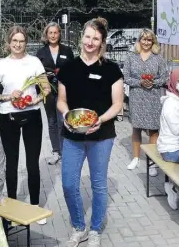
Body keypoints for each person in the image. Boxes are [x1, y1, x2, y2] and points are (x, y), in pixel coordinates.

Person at [57, 17, 124, 247]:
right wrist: (66, 115)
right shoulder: (69, 68)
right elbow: (61, 101)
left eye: (96, 38)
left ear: (102, 41)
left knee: (99, 185)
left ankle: (95, 229)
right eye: (87, 36)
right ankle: (78, 227)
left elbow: (118, 105)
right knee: (68, 183)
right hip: (73, 134)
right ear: (81, 38)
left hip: (101, 135)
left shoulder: (111, 69)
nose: (90, 41)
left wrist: (99, 119)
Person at [0, 26, 51, 224]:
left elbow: (47, 88)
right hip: (9, 118)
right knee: (11, 164)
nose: (17, 45)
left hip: (32, 115)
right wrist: (8, 95)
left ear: (26, 42)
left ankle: (34, 207)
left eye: (21, 41)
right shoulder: (1, 64)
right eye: (14, 41)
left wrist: (36, 100)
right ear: (9, 43)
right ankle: (14, 208)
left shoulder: (34, 62)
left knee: (33, 164)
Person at [123, 29, 168, 174]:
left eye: (149, 40)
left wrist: (153, 82)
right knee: (136, 128)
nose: (146, 42)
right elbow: (126, 77)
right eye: (144, 39)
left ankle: (153, 162)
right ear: (139, 41)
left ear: (153, 42)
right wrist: (139, 82)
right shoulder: (131, 57)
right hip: (137, 96)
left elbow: (164, 77)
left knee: (153, 130)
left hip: (153, 97)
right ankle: (136, 158)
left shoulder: (158, 58)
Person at [36, 22, 75, 165]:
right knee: (52, 121)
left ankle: (65, 151)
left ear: (59, 34)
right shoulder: (40, 53)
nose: (53, 35)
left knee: (62, 120)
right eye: (50, 33)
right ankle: (55, 151)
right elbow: (36, 73)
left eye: (55, 33)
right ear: (46, 35)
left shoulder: (67, 51)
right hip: (47, 92)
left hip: (64, 92)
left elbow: (73, 71)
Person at [156, 68, 179, 210]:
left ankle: (176, 185)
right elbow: (177, 130)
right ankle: (173, 186)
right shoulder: (171, 103)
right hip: (171, 150)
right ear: (173, 83)